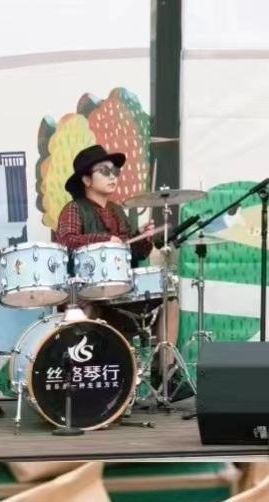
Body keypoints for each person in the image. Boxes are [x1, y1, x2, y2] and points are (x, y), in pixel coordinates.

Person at [55, 144, 180, 390]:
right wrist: (104, 239)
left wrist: (144, 238)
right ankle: (80, 382)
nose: (113, 176)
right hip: (89, 292)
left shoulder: (117, 211)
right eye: (104, 171)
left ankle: (166, 374)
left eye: (115, 171)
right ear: (86, 180)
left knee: (170, 300)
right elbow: (66, 241)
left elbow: (136, 253)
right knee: (84, 308)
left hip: (123, 292)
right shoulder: (74, 209)